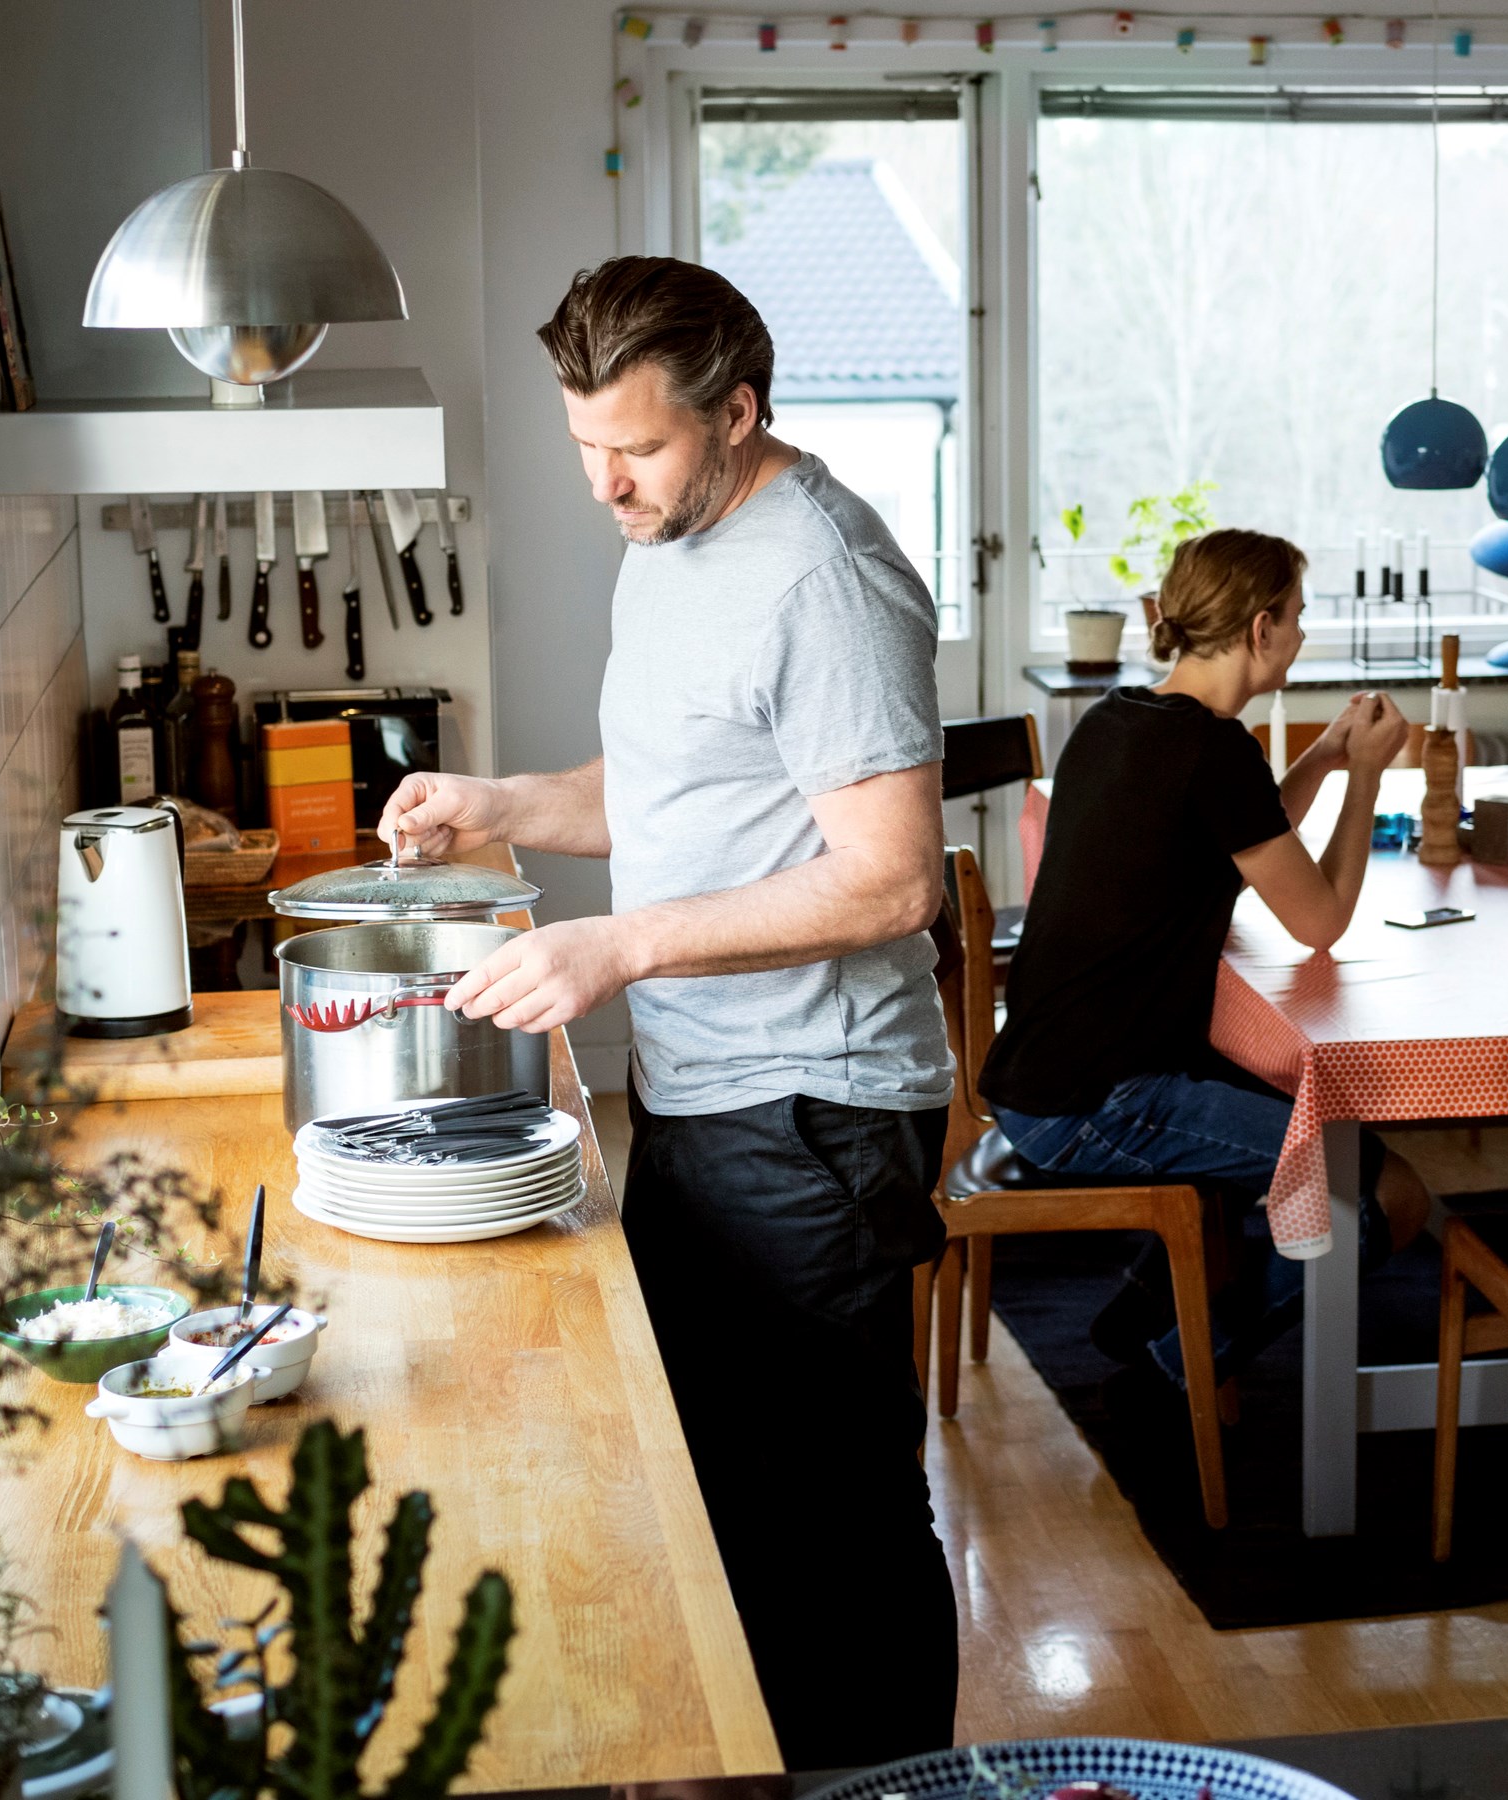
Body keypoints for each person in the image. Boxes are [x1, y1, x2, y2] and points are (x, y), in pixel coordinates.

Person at [375, 256, 957, 1768]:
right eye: (585, 447)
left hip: (817, 1109)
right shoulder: (674, 541)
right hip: (714, 1095)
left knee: (831, 1516)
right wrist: (500, 801)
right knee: (733, 1493)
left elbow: (893, 884)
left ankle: (878, 1787)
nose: (606, 484)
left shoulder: (827, 575)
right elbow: (674, 787)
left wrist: (618, 949)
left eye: (634, 449)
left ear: (738, 411)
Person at [980, 530, 1433, 1382]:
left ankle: (1167, 1292)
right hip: (1097, 1102)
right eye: (1297, 618)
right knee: (1388, 1196)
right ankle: (1185, 1347)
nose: (1302, 635)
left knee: (1302, 1127)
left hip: (1041, 1074)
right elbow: (1323, 922)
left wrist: (1327, 758)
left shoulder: (1121, 718)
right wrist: (1369, 776)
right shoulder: (1214, 752)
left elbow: (1239, 833)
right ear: (1261, 629)